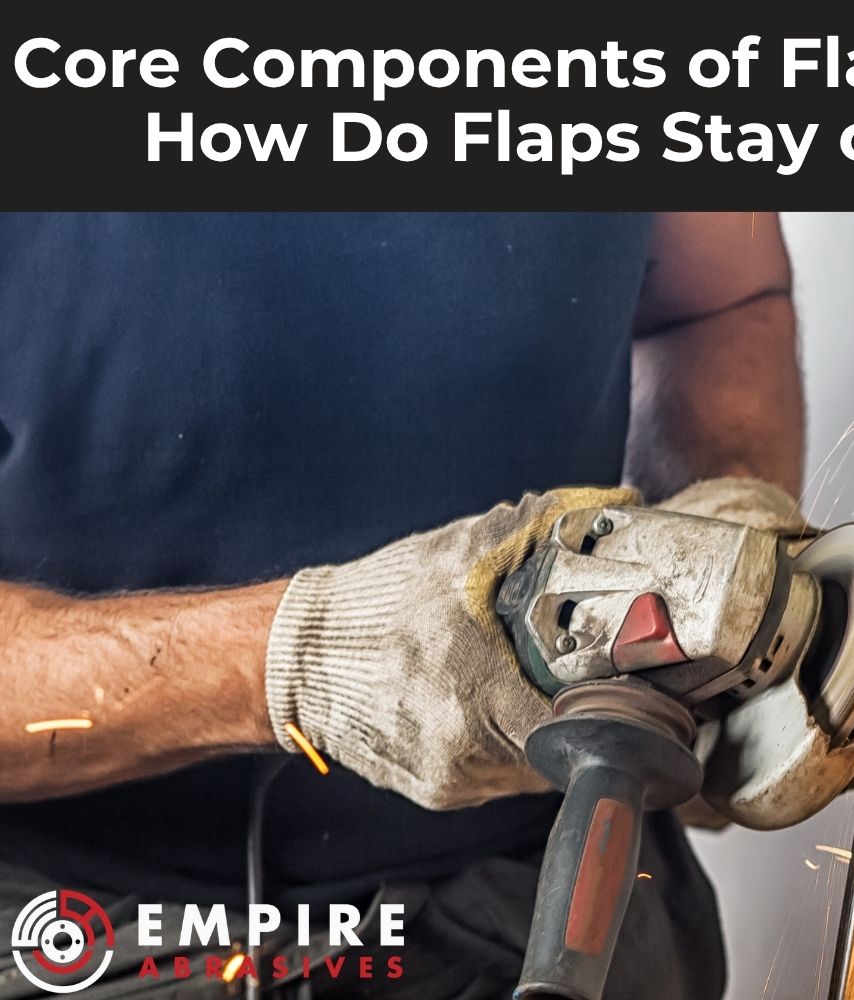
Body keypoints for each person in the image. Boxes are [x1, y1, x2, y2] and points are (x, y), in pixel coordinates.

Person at [0, 212, 804, 998]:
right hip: (74, 928)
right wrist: (296, 660)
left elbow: (721, 302)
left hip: (552, 884)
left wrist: (718, 503)